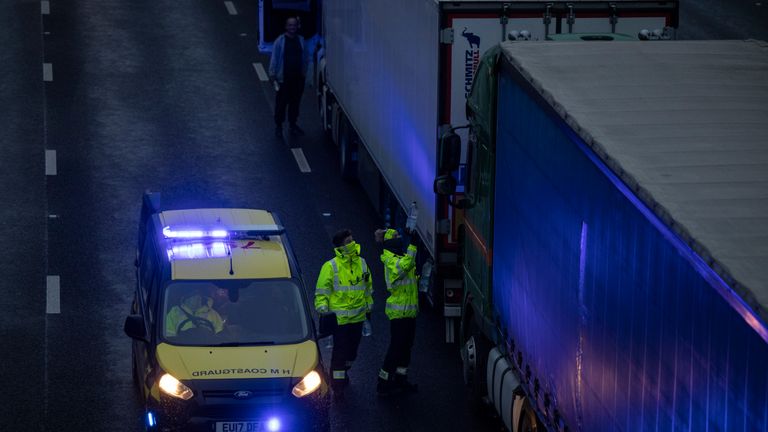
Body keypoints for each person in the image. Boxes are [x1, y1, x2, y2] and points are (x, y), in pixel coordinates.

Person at [315, 229, 373, 398]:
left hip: (358, 318)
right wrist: (323, 309)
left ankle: (342, 374)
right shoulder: (330, 266)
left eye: (353, 240)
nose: (353, 243)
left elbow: (367, 288)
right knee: (339, 355)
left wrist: (368, 306)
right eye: (349, 242)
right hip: (340, 321)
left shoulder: (362, 263)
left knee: (352, 354)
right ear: (341, 246)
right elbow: (322, 291)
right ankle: (337, 386)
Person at [374, 228, 419, 396]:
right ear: (390, 242)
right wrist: (413, 246)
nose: (400, 238)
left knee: (406, 347)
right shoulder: (390, 260)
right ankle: (383, 381)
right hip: (399, 314)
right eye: (397, 236)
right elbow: (405, 266)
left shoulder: (398, 257)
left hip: (409, 312)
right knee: (396, 347)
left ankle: (401, 378)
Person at [268, 16, 309, 140]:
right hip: (283, 79)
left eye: (294, 25)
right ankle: (279, 126)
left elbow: (306, 58)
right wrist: (272, 74)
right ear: (286, 27)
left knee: (295, 103)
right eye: (290, 25)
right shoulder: (280, 41)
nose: (292, 27)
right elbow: (274, 58)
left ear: (297, 26)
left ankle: (292, 125)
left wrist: (305, 75)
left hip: (297, 79)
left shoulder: (301, 40)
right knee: (281, 104)